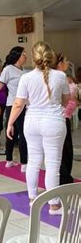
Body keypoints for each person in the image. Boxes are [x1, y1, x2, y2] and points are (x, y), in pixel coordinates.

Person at [7, 42, 70, 214]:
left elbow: (18, 104)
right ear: (51, 56)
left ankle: (33, 199)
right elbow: (66, 101)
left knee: (33, 161)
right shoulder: (60, 76)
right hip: (53, 123)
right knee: (52, 165)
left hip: (31, 122)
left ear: (34, 59)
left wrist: (10, 123)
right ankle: (54, 205)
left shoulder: (26, 78)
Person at [0, 46, 28, 172]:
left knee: (22, 134)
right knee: (12, 133)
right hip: (12, 106)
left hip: (24, 106)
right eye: (24, 54)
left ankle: (23, 161)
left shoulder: (24, 70)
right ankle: (10, 160)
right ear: (18, 56)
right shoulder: (8, 70)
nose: (26, 56)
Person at [54, 53, 78, 185]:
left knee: (65, 149)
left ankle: (64, 176)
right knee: (64, 149)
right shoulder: (60, 77)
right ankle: (63, 177)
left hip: (64, 116)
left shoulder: (64, 77)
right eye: (65, 60)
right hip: (61, 117)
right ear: (59, 63)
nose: (68, 62)